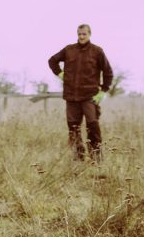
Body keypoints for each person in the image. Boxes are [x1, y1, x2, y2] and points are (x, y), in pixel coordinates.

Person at [47, 24, 113, 162]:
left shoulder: (97, 51)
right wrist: (60, 74)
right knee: (73, 128)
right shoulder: (69, 50)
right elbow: (52, 61)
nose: (81, 37)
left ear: (89, 34)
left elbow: (108, 72)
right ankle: (78, 157)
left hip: (90, 96)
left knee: (92, 125)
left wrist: (103, 91)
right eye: (79, 34)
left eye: (84, 34)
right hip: (71, 96)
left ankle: (96, 157)